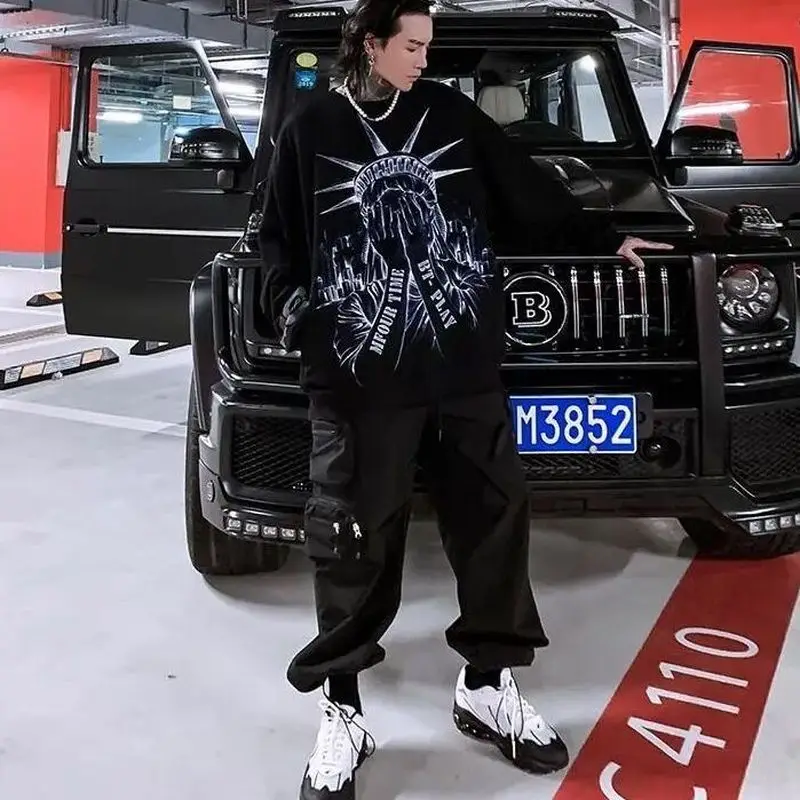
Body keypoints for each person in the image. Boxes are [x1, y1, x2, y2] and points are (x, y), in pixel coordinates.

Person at [258, 1, 673, 797]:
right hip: (359, 382)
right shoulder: (311, 128)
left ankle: (487, 683)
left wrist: (602, 239)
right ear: (371, 44)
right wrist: (299, 313)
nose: (425, 59)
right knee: (352, 537)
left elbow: (525, 188)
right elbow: (277, 240)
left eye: (428, 45)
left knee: (494, 520)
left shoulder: (448, 114)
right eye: (412, 45)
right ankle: (343, 709)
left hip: (462, 371)